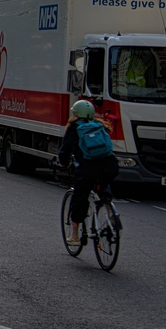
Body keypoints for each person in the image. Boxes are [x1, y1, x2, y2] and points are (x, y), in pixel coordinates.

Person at [57, 98, 117, 247]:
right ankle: (109, 209)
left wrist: (62, 162)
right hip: (109, 164)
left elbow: (65, 149)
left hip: (88, 166)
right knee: (103, 183)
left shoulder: (74, 127)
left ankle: (75, 234)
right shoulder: (99, 125)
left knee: (80, 197)